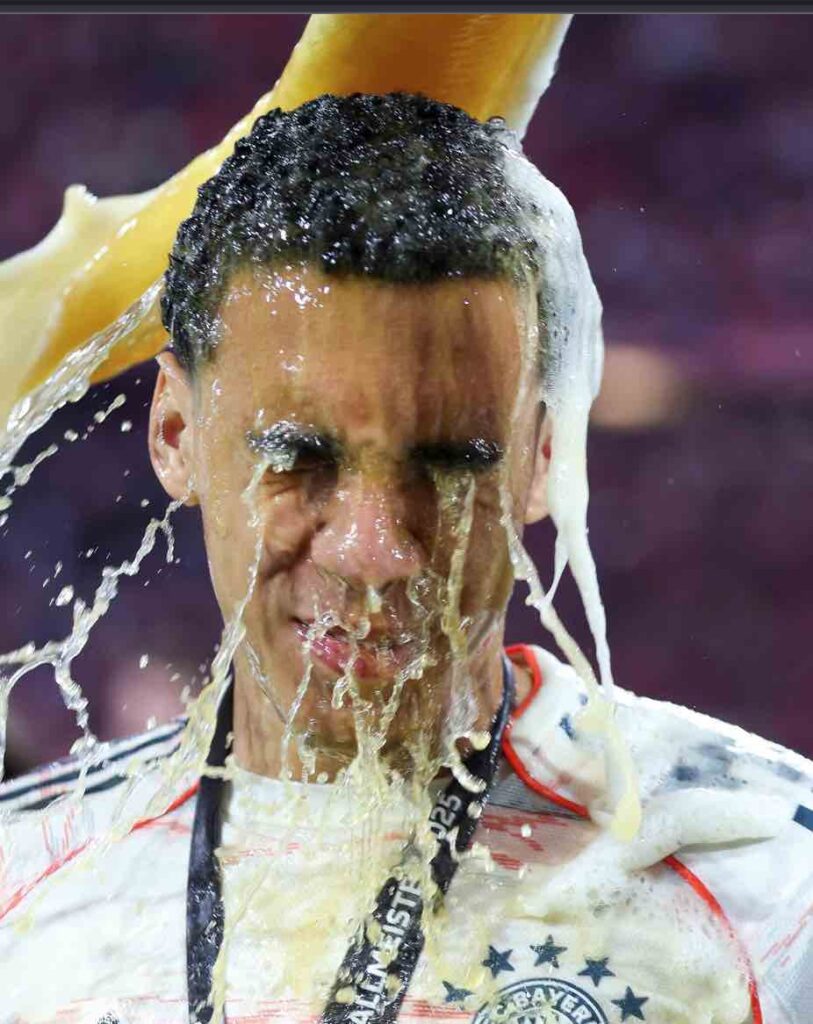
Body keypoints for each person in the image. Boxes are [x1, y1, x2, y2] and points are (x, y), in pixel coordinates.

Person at [1, 93, 810, 1024]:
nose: (374, 552)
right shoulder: (25, 877)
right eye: (297, 458)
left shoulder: (773, 889)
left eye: (451, 466)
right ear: (177, 434)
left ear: (543, 457)